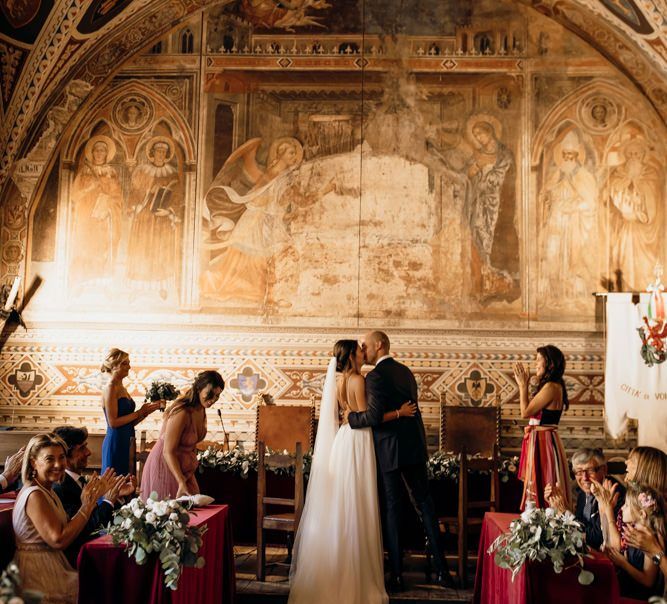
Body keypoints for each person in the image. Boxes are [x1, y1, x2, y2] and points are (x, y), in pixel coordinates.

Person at [288, 339, 417, 603]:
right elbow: (370, 417)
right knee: (358, 503)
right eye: (359, 350)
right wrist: (400, 412)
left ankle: (338, 566)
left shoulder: (338, 383)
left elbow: (347, 416)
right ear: (351, 357)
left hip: (343, 442)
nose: (363, 351)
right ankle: (356, 576)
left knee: (344, 504)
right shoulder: (359, 380)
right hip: (358, 441)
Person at [344, 331, 455, 592]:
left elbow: (371, 417)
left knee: (393, 512)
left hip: (389, 450)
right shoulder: (406, 372)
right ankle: (443, 572)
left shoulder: (375, 376)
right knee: (425, 508)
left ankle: (396, 575)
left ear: (379, 345)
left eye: (366, 345)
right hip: (414, 448)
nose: (363, 349)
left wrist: (350, 418)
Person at [12, 433, 106, 604]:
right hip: (36, 571)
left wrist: (89, 503)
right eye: (49, 459)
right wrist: (86, 506)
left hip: (51, 561)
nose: (58, 464)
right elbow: (59, 539)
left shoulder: (48, 491)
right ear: (34, 462)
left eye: (61, 457)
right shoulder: (35, 495)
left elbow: (66, 529)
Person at [52, 425, 134, 565]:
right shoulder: (60, 487)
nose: (88, 452)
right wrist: (108, 501)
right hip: (76, 558)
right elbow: (87, 528)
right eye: (82, 448)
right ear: (65, 455)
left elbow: (101, 520)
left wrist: (117, 497)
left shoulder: (79, 481)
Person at [141, 370, 225, 499]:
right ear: (198, 389)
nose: (213, 400)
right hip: (165, 465)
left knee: (193, 511)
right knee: (170, 515)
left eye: (217, 396)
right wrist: (181, 481)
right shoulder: (182, 412)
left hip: (183, 469)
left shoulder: (201, 409)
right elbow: (168, 452)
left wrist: (189, 471)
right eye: (210, 394)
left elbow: (190, 447)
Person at [538, 129, 598, 306]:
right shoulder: (556, 175)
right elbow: (545, 196)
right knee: (553, 256)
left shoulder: (584, 177)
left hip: (574, 224)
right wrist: (546, 197)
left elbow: (591, 203)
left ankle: (573, 296)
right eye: (565, 154)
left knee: (573, 259)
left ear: (577, 156)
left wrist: (573, 207)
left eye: (571, 154)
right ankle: (554, 295)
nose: (568, 158)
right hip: (555, 224)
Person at [126, 137, 183, 299]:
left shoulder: (171, 173)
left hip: (161, 217)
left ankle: (161, 285)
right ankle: (137, 286)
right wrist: (149, 190)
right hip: (144, 216)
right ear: (152, 153)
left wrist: (170, 211)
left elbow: (178, 195)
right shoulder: (143, 171)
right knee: (141, 249)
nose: (160, 154)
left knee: (160, 251)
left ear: (167, 155)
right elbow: (134, 192)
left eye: (163, 152)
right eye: (158, 151)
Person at [514, 344, 570, 510]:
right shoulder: (553, 386)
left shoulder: (551, 387)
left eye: (539, 359)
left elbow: (525, 412)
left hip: (543, 441)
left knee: (544, 480)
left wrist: (522, 386)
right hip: (542, 439)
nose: (535, 363)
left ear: (550, 364)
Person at [605, 138, 662, 291]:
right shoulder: (619, 174)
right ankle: (626, 287)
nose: (633, 157)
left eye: (637, 154)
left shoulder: (650, 174)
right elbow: (612, 192)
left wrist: (638, 208)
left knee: (644, 260)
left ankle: (644, 287)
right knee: (622, 255)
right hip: (625, 226)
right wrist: (625, 184)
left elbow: (653, 198)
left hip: (643, 227)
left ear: (643, 155)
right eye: (629, 154)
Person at [69, 135, 123, 290]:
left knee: (102, 248)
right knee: (86, 247)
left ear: (107, 154)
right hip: (86, 218)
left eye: (102, 151)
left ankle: (101, 283)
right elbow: (74, 195)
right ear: (92, 153)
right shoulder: (85, 171)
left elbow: (117, 197)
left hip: (103, 219)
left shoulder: (111, 172)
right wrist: (89, 188)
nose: (99, 153)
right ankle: (84, 281)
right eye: (96, 150)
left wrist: (108, 206)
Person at [546, 447, 625, 549]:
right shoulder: (584, 493)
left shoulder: (613, 493)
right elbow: (582, 525)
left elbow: (596, 539)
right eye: (579, 472)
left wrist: (565, 513)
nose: (585, 478)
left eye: (590, 470)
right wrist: (556, 503)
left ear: (604, 469)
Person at [101, 348, 161, 475]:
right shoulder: (110, 387)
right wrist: (139, 412)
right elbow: (113, 422)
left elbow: (129, 422)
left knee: (127, 481)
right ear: (114, 365)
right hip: (116, 442)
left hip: (127, 439)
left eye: (128, 363)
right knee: (115, 483)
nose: (129, 367)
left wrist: (146, 412)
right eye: (125, 363)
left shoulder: (122, 387)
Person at [601, 483, 665, 600]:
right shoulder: (632, 531)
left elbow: (648, 581)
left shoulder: (649, 539)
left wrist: (623, 563)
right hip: (626, 586)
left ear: (641, 514)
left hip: (639, 596)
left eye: (626, 505)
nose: (621, 508)